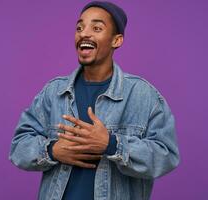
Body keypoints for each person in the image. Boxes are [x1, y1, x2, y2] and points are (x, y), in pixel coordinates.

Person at [9, 1, 180, 200]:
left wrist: (112, 144)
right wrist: (52, 150)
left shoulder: (144, 95)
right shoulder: (53, 92)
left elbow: (167, 156)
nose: (84, 33)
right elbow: (18, 147)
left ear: (116, 40)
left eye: (97, 28)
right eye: (79, 28)